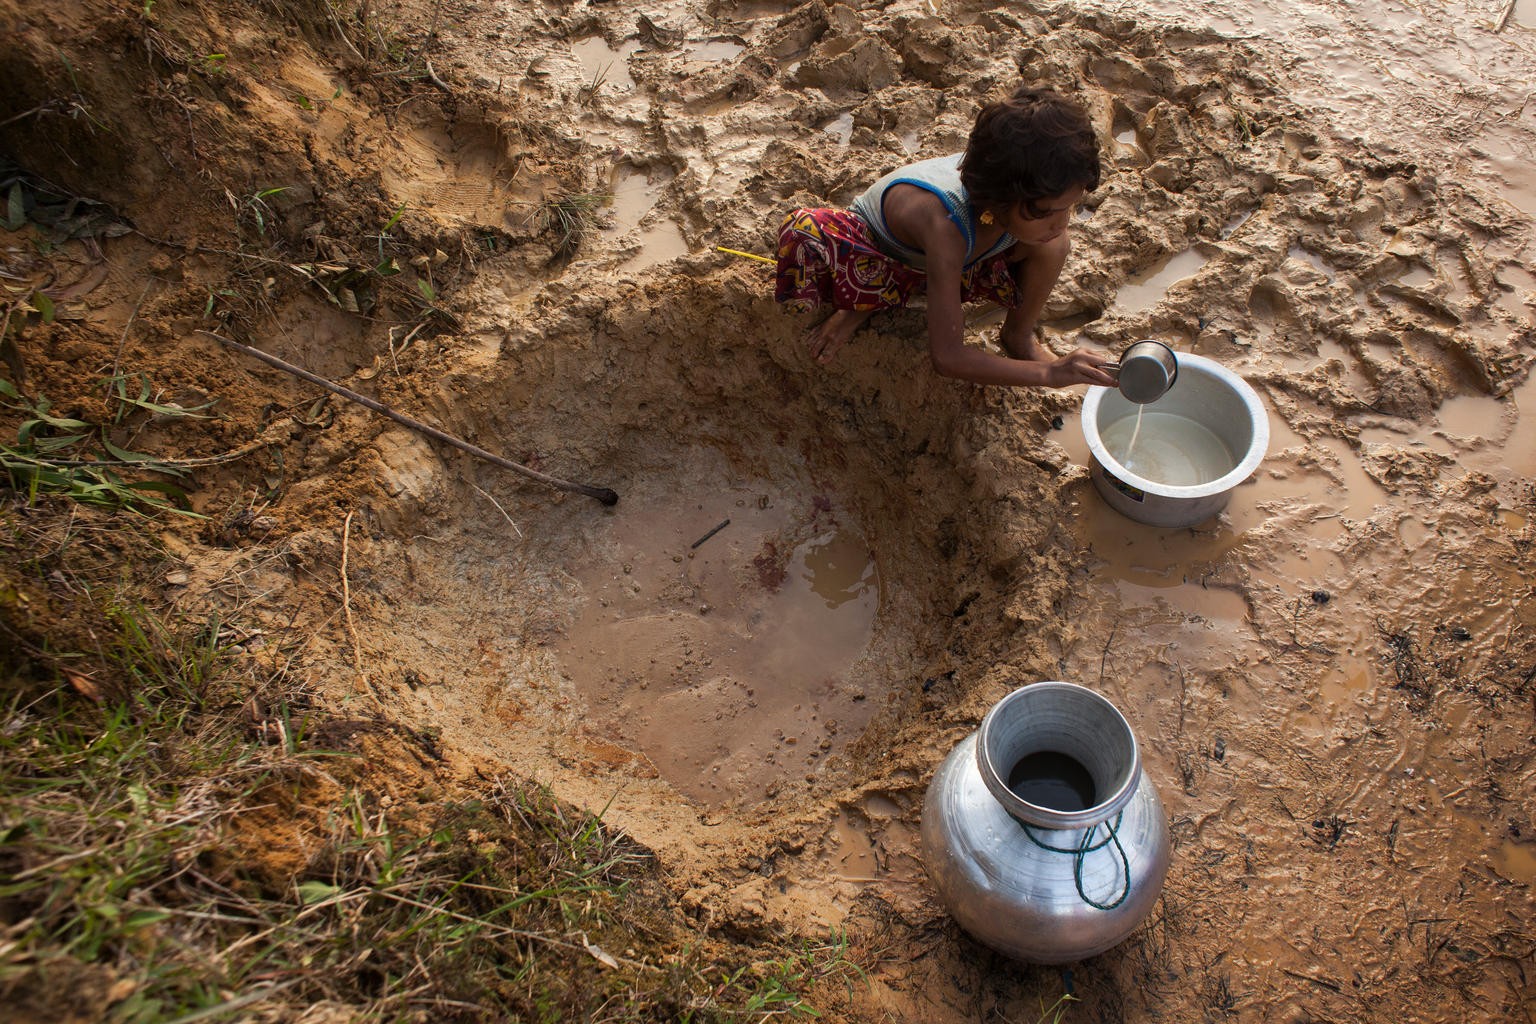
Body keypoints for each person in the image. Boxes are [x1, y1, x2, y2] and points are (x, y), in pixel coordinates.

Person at [775, 86, 1118, 390]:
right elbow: (948, 358)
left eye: (1068, 208)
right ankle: (865, 304)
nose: (1061, 221)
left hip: (951, 262)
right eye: (1046, 212)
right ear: (999, 200)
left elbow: (1045, 222)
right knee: (806, 232)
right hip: (882, 256)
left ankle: (1018, 335)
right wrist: (1050, 374)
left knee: (1054, 244)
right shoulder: (946, 223)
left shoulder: (1015, 197)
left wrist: (1042, 224)